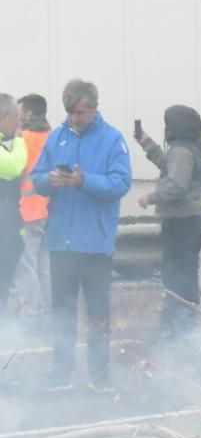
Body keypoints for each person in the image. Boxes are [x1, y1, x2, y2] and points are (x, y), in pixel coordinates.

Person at [30, 79, 132, 392]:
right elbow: (35, 178)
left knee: (98, 313)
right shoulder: (56, 136)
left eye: (81, 112)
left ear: (94, 108)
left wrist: (84, 181)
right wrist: (48, 180)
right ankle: (61, 374)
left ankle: (99, 377)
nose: (75, 117)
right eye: (71, 112)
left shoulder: (112, 139)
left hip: (95, 245)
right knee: (62, 312)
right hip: (61, 242)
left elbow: (121, 184)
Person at [135, 105, 201, 337]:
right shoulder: (189, 148)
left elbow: (176, 185)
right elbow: (169, 166)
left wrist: (151, 197)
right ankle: (183, 322)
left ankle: (178, 327)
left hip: (180, 222)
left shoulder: (181, 151)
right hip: (189, 220)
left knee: (177, 276)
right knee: (183, 274)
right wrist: (146, 142)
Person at [11, 93, 52, 325]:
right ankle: (49, 311)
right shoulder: (53, 136)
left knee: (26, 265)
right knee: (44, 265)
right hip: (47, 210)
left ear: (27, 114)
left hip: (26, 211)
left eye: (20, 112)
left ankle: (31, 314)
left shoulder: (22, 139)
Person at [0, 96, 26, 314]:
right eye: (17, 115)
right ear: (5, 117)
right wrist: (19, 141)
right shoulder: (14, 146)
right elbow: (12, 167)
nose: (21, 121)